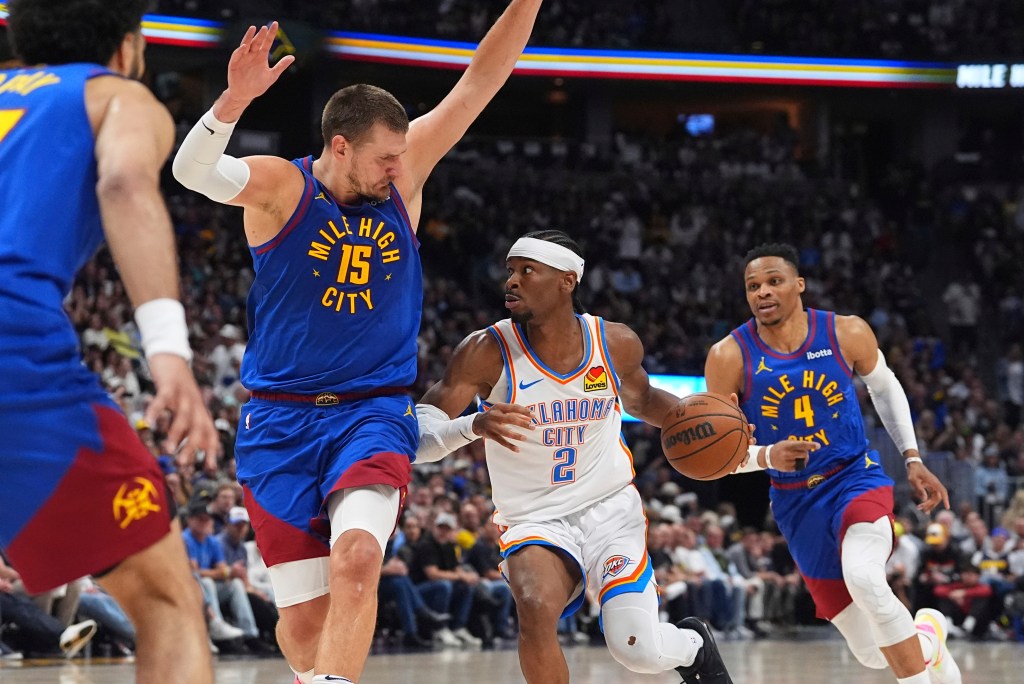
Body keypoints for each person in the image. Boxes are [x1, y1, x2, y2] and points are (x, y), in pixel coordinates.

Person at [170, 4, 544, 682]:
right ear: (339, 147)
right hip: (278, 421)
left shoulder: (403, 177)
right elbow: (193, 173)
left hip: (373, 411)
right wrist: (232, 101)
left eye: (402, 155)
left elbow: (480, 81)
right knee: (305, 627)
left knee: (359, 561)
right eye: (383, 157)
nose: (397, 169)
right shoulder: (282, 187)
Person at [0, 2, 219, 682]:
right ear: (127, 49)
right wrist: (169, 354)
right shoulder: (114, 95)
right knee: (165, 601)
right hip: (13, 348)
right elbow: (123, 181)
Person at [414, 230, 734, 684]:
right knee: (535, 604)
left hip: (609, 509)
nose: (512, 281)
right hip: (533, 518)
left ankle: (693, 647)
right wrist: (470, 426)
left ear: (567, 280)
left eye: (528, 271)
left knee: (637, 651)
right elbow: (418, 438)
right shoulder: (486, 350)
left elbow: (644, 403)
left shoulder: (614, 342)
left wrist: (732, 443)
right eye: (510, 271)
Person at [704, 242, 961, 684]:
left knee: (864, 577)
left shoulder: (846, 331)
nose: (762, 292)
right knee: (870, 653)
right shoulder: (728, 356)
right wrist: (766, 455)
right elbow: (718, 457)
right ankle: (929, 636)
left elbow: (885, 388)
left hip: (853, 479)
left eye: (773, 281)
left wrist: (913, 457)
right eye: (753, 286)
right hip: (793, 500)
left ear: (798, 285)